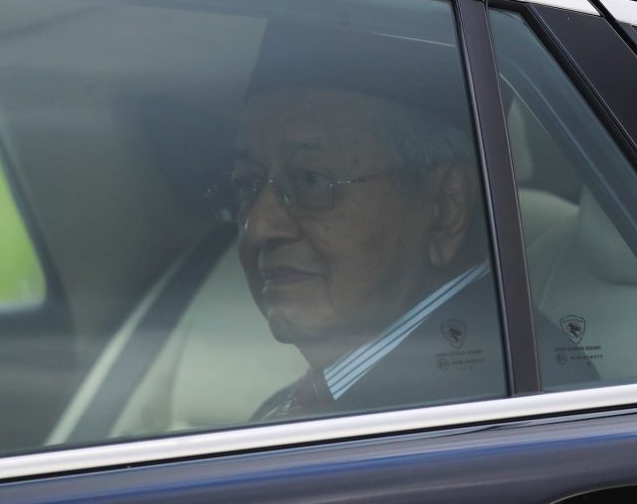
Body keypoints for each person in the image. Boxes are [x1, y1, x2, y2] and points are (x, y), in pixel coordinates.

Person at [214, 23, 597, 420]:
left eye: (312, 180)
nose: (259, 227)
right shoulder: (343, 401)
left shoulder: (480, 414)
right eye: (246, 185)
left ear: (447, 207)